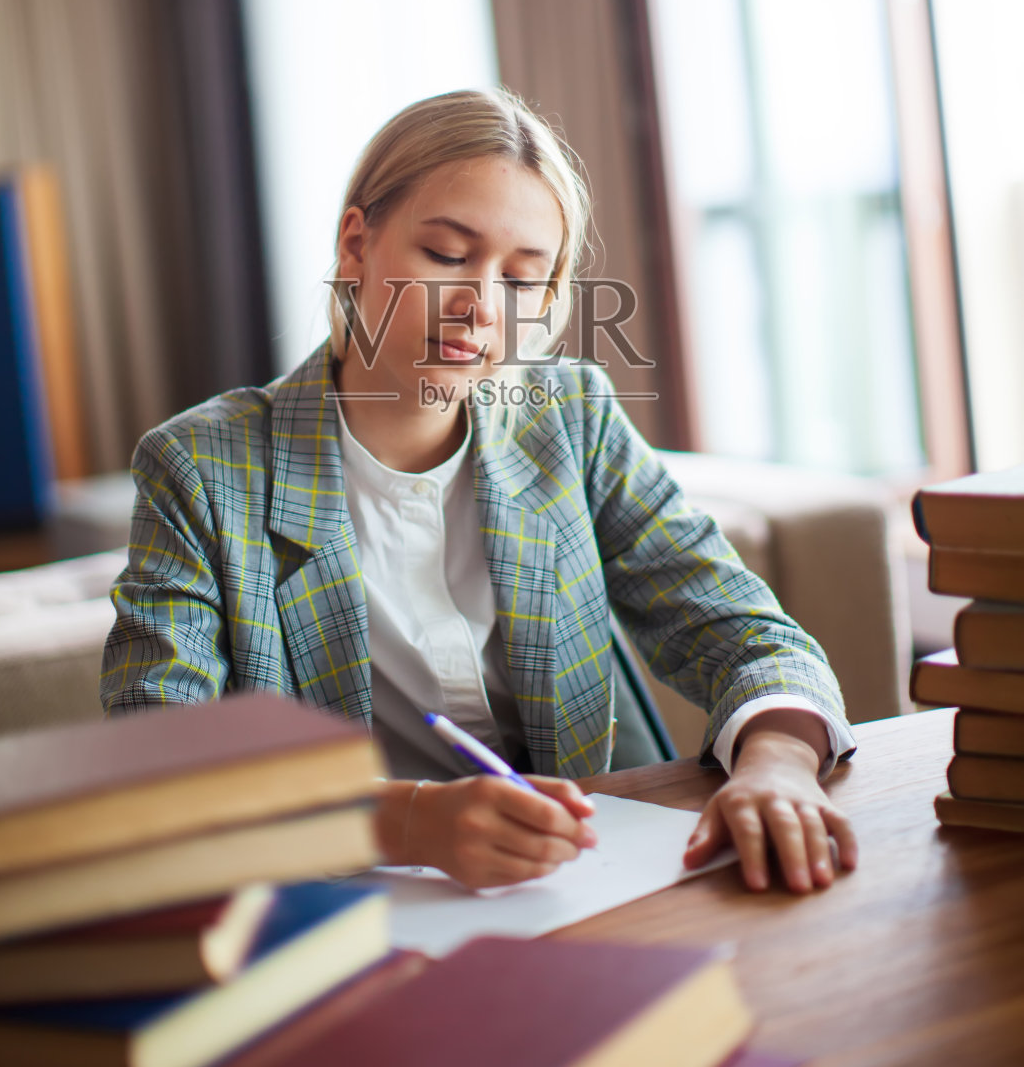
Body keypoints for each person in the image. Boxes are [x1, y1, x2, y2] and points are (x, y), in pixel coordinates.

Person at [101, 89, 858, 895]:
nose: (480, 308)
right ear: (356, 246)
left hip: (582, 882)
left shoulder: (570, 419)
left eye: (522, 279)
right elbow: (160, 762)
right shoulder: (202, 468)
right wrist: (408, 822)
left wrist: (777, 761)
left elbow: (740, 630)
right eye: (447, 255)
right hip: (344, 904)